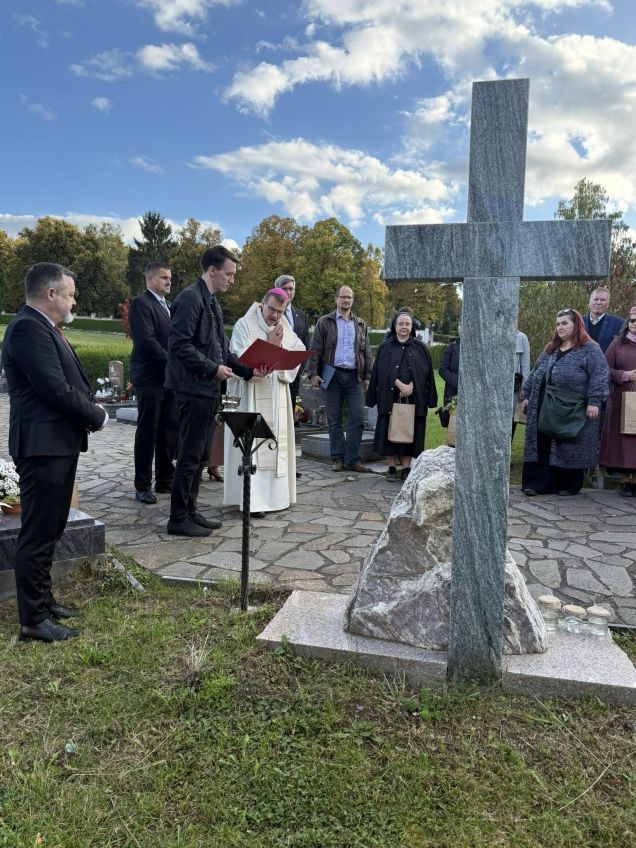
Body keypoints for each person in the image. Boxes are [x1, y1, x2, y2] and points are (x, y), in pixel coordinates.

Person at [1, 262, 108, 642]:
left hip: (55, 445)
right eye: (70, 293)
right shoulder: (28, 328)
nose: (73, 300)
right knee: (38, 532)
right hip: (42, 447)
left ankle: (44, 603)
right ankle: (33, 620)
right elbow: (54, 388)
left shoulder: (42, 327)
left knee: (51, 527)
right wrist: (96, 414)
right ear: (51, 294)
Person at [164, 245, 256, 537]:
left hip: (208, 390)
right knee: (190, 455)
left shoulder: (212, 302)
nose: (232, 280)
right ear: (212, 270)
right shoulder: (190, 299)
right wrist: (212, 369)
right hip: (192, 390)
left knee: (202, 456)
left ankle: (191, 511)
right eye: (228, 274)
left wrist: (249, 371)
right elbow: (179, 346)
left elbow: (222, 351)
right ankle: (178, 518)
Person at [224, 288, 306, 514]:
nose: (275, 316)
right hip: (252, 394)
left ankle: (277, 498)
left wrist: (281, 352)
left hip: (277, 391)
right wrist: (269, 345)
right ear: (262, 303)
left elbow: (298, 351)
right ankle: (254, 501)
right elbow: (238, 357)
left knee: (275, 444)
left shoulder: (285, 328)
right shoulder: (244, 324)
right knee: (254, 446)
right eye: (271, 309)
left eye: (280, 312)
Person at [521, 308, 608, 497]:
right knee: (541, 442)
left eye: (564, 323)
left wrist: (594, 401)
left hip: (571, 407)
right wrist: (527, 394)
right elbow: (536, 372)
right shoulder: (551, 349)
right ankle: (537, 483)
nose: (560, 327)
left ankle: (567, 484)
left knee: (566, 443)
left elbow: (600, 375)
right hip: (543, 404)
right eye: (557, 324)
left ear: (576, 325)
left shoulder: (590, 349)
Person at [306, 286, 373, 473]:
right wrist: (313, 373)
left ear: (352, 300)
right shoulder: (324, 322)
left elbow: (366, 352)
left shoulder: (360, 324)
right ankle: (337, 458)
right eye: (343, 297)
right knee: (334, 420)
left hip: (354, 377)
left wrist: (367, 375)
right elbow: (315, 349)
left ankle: (353, 460)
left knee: (358, 418)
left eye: (350, 297)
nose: (346, 300)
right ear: (336, 299)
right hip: (332, 375)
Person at [366, 309, 437, 481]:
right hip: (390, 397)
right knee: (389, 431)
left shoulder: (420, 348)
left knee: (411, 432)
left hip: (414, 398)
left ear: (412, 326)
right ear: (395, 326)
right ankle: (391, 466)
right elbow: (380, 372)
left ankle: (406, 467)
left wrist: (413, 385)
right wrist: (398, 384)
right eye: (400, 323)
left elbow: (426, 373)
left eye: (407, 324)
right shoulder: (385, 347)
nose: (404, 327)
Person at [128, 261, 177, 504]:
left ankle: (166, 480)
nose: (168, 281)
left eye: (170, 278)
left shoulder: (168, 306)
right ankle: (142, 484)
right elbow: (146, 342)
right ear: (149, 279)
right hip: (150, 378)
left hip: (169, 380)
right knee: (148, 431)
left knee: (168, 431)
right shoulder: (141, 304)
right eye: (163, 278)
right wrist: (173, 363)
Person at [598, 307, 636, 496]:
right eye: (632, 321)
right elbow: (604, 369)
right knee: (624, 440)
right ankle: (626, 481)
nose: (635, 324)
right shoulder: (617, 343)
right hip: (622, 399)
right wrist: (626, 375)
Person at [275, 274, 310, 406]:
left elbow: (306, 345)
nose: (288, 292)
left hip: (294, 373)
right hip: (272, 372)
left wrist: (299, 370)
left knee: (289, 411)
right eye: (285, 288)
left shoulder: (301, 316)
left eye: (291, 289)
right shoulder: (268, 312)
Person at [582, 286, 624, 353]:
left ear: (608, 304)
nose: (599, 303)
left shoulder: (618, 323)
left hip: (607, 362)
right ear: (589, 302)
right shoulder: (579, 321)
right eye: (596, 299)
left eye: (603, 300)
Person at [512, 329, 531, 440]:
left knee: (511, 420)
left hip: (514, 388)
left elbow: (525, 366)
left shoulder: (521, 337)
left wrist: (524, 389)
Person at [438, 325, 460, 412]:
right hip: (453, 393)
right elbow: (443, 369)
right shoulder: (452, 347)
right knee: (453, 424)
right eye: (461, 325)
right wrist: (459, 383)